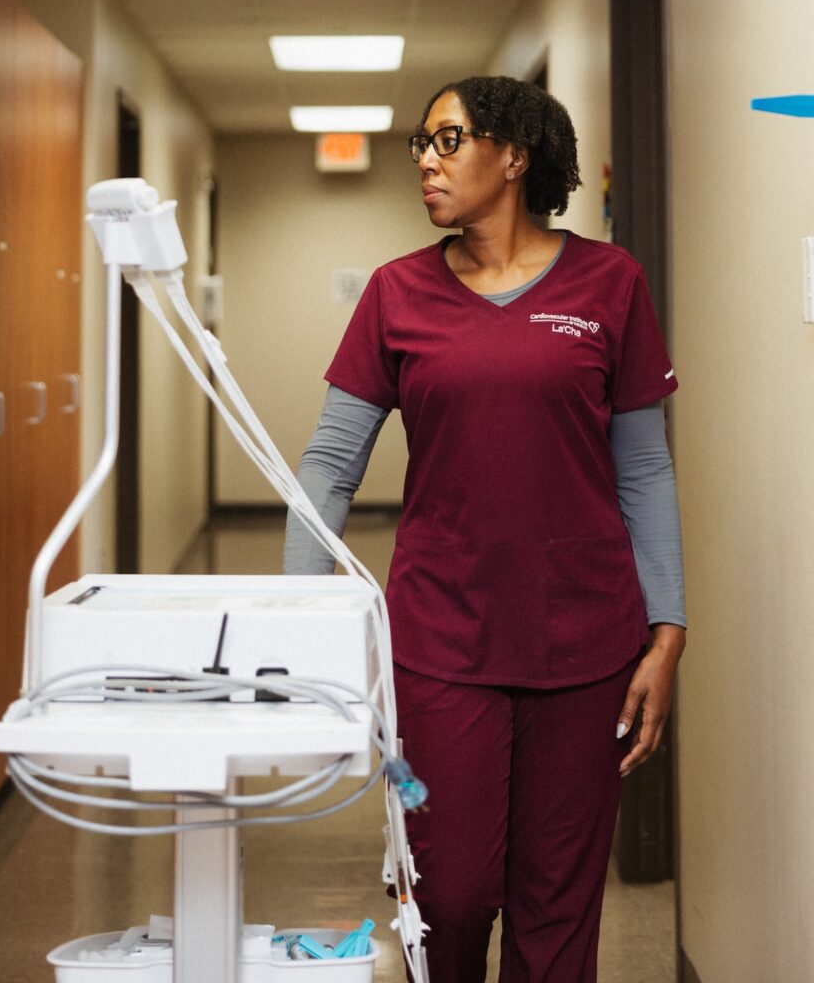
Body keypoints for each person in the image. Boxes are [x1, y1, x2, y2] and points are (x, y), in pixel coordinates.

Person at [284, 75, 686, 983]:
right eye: (421, 144)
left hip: (587, 647)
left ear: (514, 155)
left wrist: (667, 632)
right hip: (440, 639)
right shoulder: (397, 295)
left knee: (557, 912)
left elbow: (645, 468)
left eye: (448, 140)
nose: (425, 160)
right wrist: (298, 617)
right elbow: (329, 466)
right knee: (451, 893)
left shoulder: (609, 283)